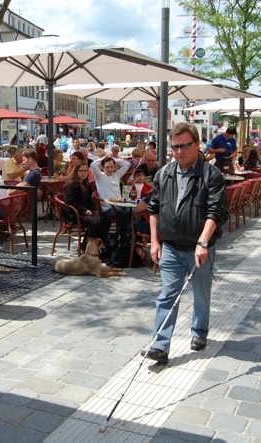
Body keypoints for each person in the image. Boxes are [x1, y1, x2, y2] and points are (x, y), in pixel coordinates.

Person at [145, 122, 229, 365]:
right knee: (168, 295)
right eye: (175, 147)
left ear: (197, 144)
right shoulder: (164, 173)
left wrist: (203, 242)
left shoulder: (211, 174)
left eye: (185, 145)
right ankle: (160, 345)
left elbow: (217, 211)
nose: (179, 151)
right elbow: (153, 209)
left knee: (201, 295)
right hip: (170, 245)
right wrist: (154, 241)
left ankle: (199, 332)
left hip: (198, 247)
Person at [90, 154, 130, 243]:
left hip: (121, 204)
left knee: (134, 212)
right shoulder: (100, 176)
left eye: (112, 167)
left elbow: (126, 164)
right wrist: (103, 158)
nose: (110, 169)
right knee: (124, 214)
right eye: (107, 167)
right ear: (102, 167)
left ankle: (129, 236)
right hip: (108, 208)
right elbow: (92, 165)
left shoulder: (116, 175)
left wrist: (113, 159)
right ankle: (123, 239)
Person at [62, 162, 103, 249]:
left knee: (103, 219)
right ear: (76, 172)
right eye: (81, 171)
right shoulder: (72, 185)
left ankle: (95, 246)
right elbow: (69, 201)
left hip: (84, 211)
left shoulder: (87, 185)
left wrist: (95, 210)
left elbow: (89, 200)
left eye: (85, 171)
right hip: (73, 213)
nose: (83, 173)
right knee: (94, 222)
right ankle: (85, 247)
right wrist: (84, 210)